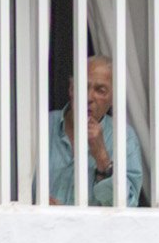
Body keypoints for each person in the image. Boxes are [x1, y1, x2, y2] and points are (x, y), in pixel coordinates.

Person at [47, 55, 147, 207]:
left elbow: (128, 206)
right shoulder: (44, 126)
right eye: (83, 86)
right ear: (71, 89)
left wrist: (102, 157)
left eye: (100, 90)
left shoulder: (123, 138)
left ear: (113, 98)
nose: (88, 97)